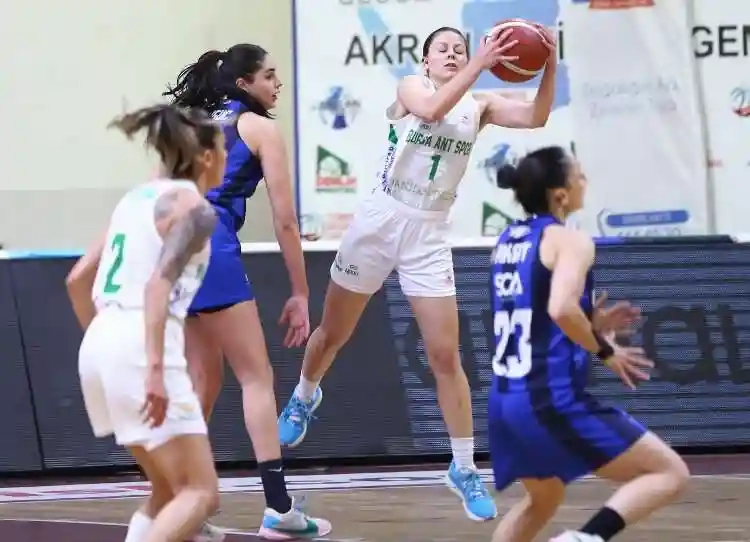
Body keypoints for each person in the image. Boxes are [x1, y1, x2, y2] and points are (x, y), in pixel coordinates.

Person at [277, 25, 557, 521]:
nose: (452, 54)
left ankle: (463, 467)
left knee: (445, 355)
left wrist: (548, 63)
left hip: (427, 233)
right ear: (426, 61)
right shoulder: (411, 87)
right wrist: (480, 63)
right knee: (333, 332)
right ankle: (303, 396)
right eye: (442, 49)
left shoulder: (480, 105)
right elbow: (431, 111)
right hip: (379, 222)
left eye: (460, 50)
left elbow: (536, 116)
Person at [163, 44, 332, 539]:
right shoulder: (258, 127)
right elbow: (285, 220)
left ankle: (182, 506)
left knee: (203, 381)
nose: (277, 84)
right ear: (244, 85)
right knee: (256, 379)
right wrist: (300, 292)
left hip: (172, 248)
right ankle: (279, 509)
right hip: (211, 245)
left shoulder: (193, 121)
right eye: (269, 76)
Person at [487, 146, 690, 542]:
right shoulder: (571, 241)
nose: (585, 181)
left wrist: (591, 323)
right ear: (560, 194)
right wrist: (605, 350)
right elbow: (561, 308)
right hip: (547, 398)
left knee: (543, 499)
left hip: (505, 400)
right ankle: (585, 539)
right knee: (669, 472)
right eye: (579, 175)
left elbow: (532, 316)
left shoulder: (508, 240)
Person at [66, 104, 226, 542]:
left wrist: (109, 347)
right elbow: (157, 286)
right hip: (140, 343)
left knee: (167, 491)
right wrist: (151, 367)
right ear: (206, 157)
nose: (226, 159)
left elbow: (77, 280)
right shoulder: (194, 209)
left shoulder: (134, 199)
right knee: (199, 493)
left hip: (101, 339)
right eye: (224, 150)